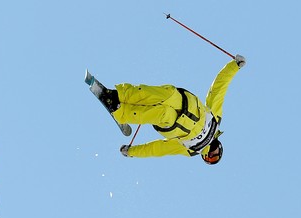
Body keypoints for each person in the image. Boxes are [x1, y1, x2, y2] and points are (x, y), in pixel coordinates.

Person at [90, 55, 246, 165]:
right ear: (219, 147)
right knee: (152, 94)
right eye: (216, 155)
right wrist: (233, 67)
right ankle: (118, 95)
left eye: (210, 160)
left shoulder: (192, 150)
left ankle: (120, 111)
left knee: (159, 113)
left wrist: (133, 152)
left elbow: (159, 149)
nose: (211, 156)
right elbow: (218, 90)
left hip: (172, 123)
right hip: (181, 99)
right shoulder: (216, 120)